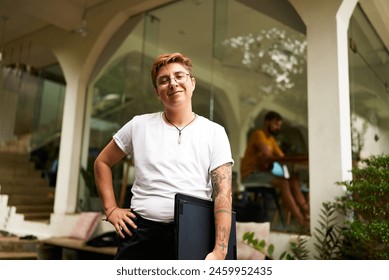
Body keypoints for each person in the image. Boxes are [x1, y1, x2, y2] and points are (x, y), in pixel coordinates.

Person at [94, 52, 234, 260]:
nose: (173, 83)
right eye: (164, 80)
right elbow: (102, 162)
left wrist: (220, 251)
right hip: (140, 233)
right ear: (157, 92)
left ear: (192, 83)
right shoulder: (138, 125)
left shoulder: (214, 132)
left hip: (192, 233)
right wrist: (111, 209)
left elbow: (223, 192)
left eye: (179, 76)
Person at [240, 111, 309, 227]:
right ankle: (301, 220)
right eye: (275, 124)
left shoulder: (271, 140)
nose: (278, 127)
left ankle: (306, 212)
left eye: (279, 125)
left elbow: (282, 157)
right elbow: (268, 156)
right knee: (284, 183)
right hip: (250, 175)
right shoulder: (259, 134)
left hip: (263, 174)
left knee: (294, 181)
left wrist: (291, 158)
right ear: (267, 122)